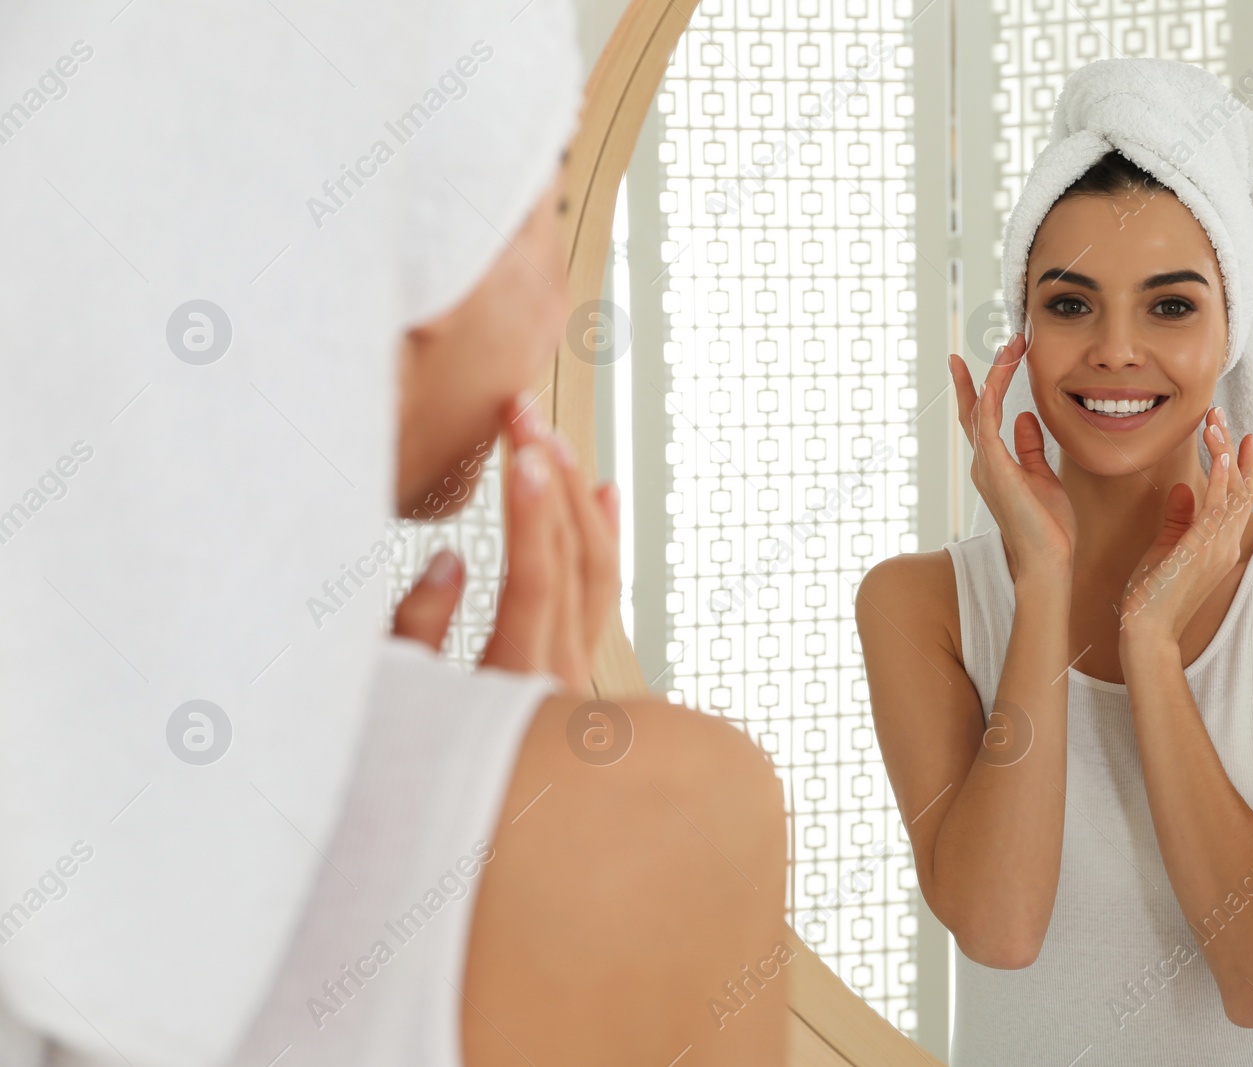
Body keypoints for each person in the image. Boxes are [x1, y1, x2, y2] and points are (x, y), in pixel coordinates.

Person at [0, 2, 789, 1065]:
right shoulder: (668, 808)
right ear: (396, 241)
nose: (559, 304)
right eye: (549, 201)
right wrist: (532, 803)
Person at [857, 65, 1253, 1067]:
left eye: (1169, 307)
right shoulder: (919, 605)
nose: (1116, 350)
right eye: (1069, 305)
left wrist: (1152, 649)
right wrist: (1038, 588)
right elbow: (1000, 928)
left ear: (1230, 330)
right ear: (1021, 333)